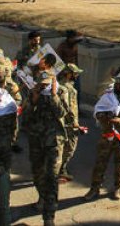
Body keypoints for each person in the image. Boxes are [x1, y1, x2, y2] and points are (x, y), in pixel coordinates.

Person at [84, 72, 120, 201]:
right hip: (108, 133)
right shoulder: (109, 94)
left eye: (118, 83)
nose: (115, 84)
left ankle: (119, 188)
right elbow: (98, 109)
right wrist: (103, 116)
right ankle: (94, 188)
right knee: (100, 161)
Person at [23, 72, 65, 225]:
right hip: (36, 140)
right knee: (37, 173)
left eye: (47, 83)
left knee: (52, 178)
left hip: (54, 140)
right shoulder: (33, 92)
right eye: (42, 83)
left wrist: (53, 95)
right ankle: (42, 196)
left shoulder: (61, 91)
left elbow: (61, 112)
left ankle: (49, 216)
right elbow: (25, 116)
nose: (44, 86)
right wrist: (33, 101)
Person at [57, 63, 83, 181]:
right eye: (75, 73)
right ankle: (61, 169)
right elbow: (70, 108)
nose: (76, 75)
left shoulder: (58, 85)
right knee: (70, 147)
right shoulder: (68, 89)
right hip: (69, 124)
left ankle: (59, 168)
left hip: (61, 122)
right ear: (68, 74)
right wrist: (74, 122)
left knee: (61, 147)